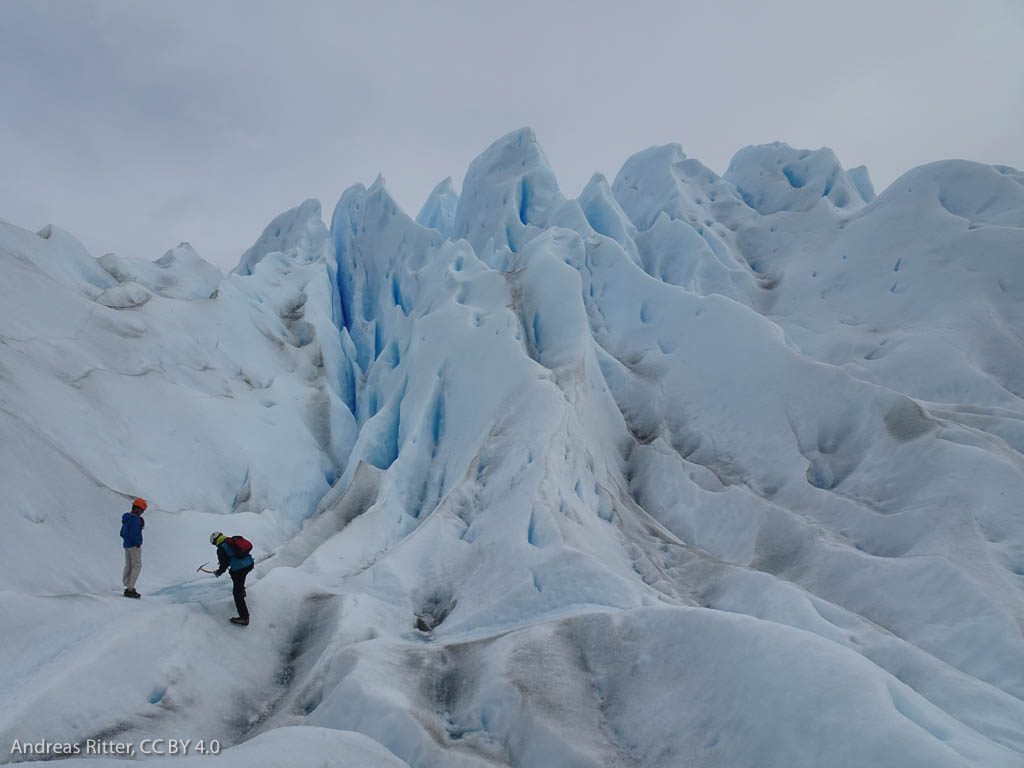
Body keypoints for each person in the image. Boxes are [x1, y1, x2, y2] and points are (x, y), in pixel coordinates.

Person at [210, 532, 254, 625]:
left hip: (240, 568)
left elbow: (224, 565)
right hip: (249, 564)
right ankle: (242, 590)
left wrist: (218, 572)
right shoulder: (231, 540)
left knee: (236, 593)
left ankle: (244, 617)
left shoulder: (221, 548)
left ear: (215, 541)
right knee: (236, 576)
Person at [120, 498, 146, 598]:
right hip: (134, 546)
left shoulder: (127, 518)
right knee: (137, 566)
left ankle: (127, 583)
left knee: (128, 565)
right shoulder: (135, 519)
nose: (142, 513)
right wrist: (138, 543)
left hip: (126, 545)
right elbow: (135, 533)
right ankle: (130, 589)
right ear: (138, 509)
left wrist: (127, 541)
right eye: (142, 510)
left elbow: (122, 533)